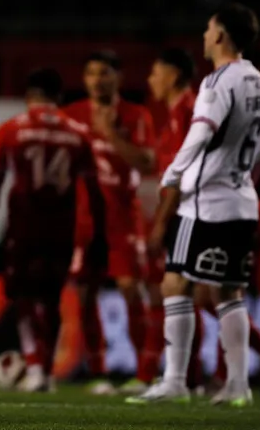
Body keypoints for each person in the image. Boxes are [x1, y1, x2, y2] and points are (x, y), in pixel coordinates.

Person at [129, 3, 260, 406]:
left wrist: (174, 174)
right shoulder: (258, 81)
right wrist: (241, 165)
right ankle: (238, 385)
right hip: (242, 202)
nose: (203, 35)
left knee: (174, 282)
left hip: (205, 203)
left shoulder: (218, 82)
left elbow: (200, 134)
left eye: (208, 29)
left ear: (219, 36)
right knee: (230, 292)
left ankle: (176, 381)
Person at [0, 69, 105, 393]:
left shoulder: (12, 130)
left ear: (29, 97)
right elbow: (94, 192)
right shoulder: (78, 133)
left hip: (24, 225)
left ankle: (35, 365)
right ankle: (46, 371)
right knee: (51, 300)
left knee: (22, 297)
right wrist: (100, 236)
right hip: (61, 227)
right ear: (59, 98)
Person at [63, 51, 157, 395]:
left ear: (118, 77)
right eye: (91, 73)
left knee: (132, 289)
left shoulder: (136, 115)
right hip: (84, 220)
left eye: (104, 73)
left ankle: (144, 374)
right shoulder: (71, 115)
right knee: (85, 295)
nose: (97, 80)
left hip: (122, 217)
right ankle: (98, 373)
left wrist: (109, 134)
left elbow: (146, 162)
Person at [140, 48, 201, 388]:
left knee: (191, 292)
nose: (151, 81)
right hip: (187, 210)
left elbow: (183, 175)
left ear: (174, 75)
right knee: (196, 293)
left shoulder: (189, 111)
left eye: (156, 73)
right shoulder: (177, 113)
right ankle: (190, 377)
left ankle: (192, 378)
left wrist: (161, 221)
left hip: (190, 212)